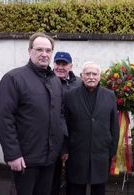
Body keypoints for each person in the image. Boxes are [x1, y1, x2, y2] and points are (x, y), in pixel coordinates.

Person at [0, 32, 65, 195]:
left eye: (48, 50)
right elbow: (4, 118)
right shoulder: (13, 78)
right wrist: (13, 154)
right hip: (25, 159)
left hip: (49, 159)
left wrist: (60, 147)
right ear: (29, 51)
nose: (44, 54)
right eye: (39, 49)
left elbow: (59, 115)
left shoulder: (55, 81)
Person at [64, 62, 119, 195]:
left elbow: (114, 125)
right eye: (87, 74)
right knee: (76, 189)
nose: (91, 77)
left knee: (99, 189)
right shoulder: (70, 95)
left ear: (100, 77)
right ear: (81, 76)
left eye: (95, 74)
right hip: (77, 152)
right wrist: (65, 149)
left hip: (101, 152)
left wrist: (112, 149)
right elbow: (65, 124)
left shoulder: (110, 95)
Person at [51, 51, 81, 195]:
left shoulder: (79, 83)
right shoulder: (47, 80)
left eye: (64, 64)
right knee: (53, 176)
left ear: (71, 66)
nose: (60, 67)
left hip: (74, 137)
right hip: (54, 136)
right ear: (53, 64)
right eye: (58, 63)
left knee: (72, 177)